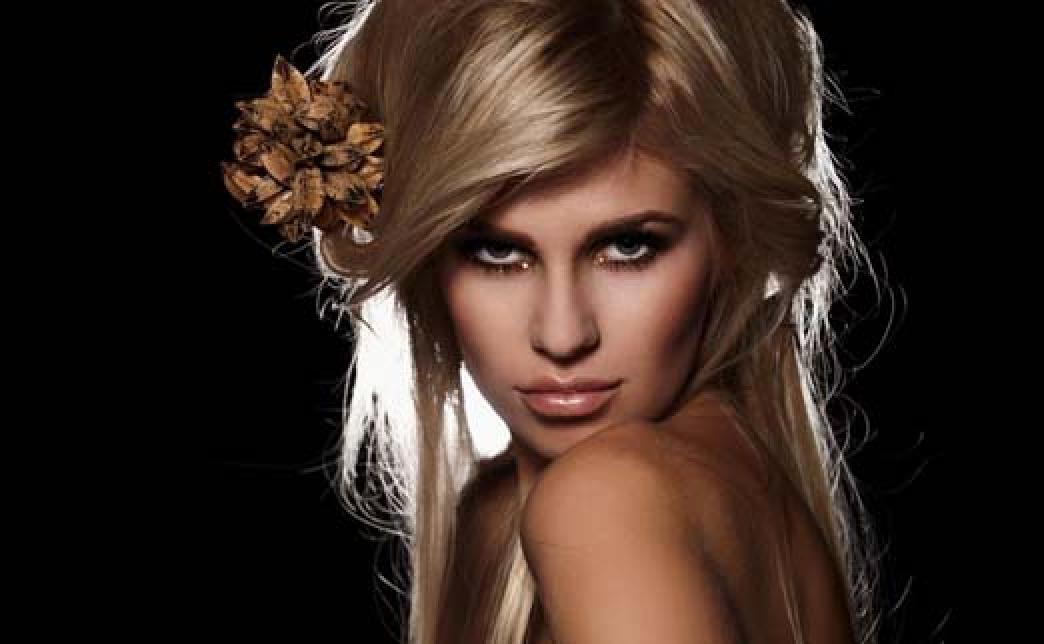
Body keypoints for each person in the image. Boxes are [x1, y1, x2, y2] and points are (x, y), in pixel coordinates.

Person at [221, 1, 887, 642]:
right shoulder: (528, 515)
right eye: (497, 252)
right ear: (425, 259)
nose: (563, 336)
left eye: (629, 246)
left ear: (731, 241)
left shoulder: (605, 504)